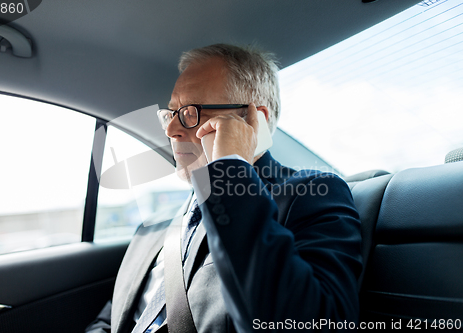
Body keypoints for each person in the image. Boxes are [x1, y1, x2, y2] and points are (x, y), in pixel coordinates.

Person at [86, 44, 362, 333]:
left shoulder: (311, 193)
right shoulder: (153, 227)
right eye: (171, 114)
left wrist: (230, 168)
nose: (170, 131)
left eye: (191, 112)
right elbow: (108, 321)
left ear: (255, 123)